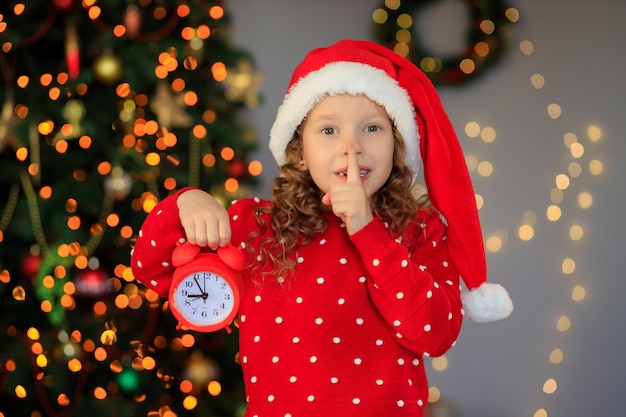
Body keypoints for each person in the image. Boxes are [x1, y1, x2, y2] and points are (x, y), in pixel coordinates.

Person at [131, 39, 513, 417]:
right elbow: (150, 267)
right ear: (300, 148)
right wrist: (182, 203)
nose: (352, 147)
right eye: (329, 131)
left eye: (373, 129)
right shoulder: (256, 226)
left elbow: (436, 333)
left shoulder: (420, 229)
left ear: (397, 145)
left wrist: (369, 232)